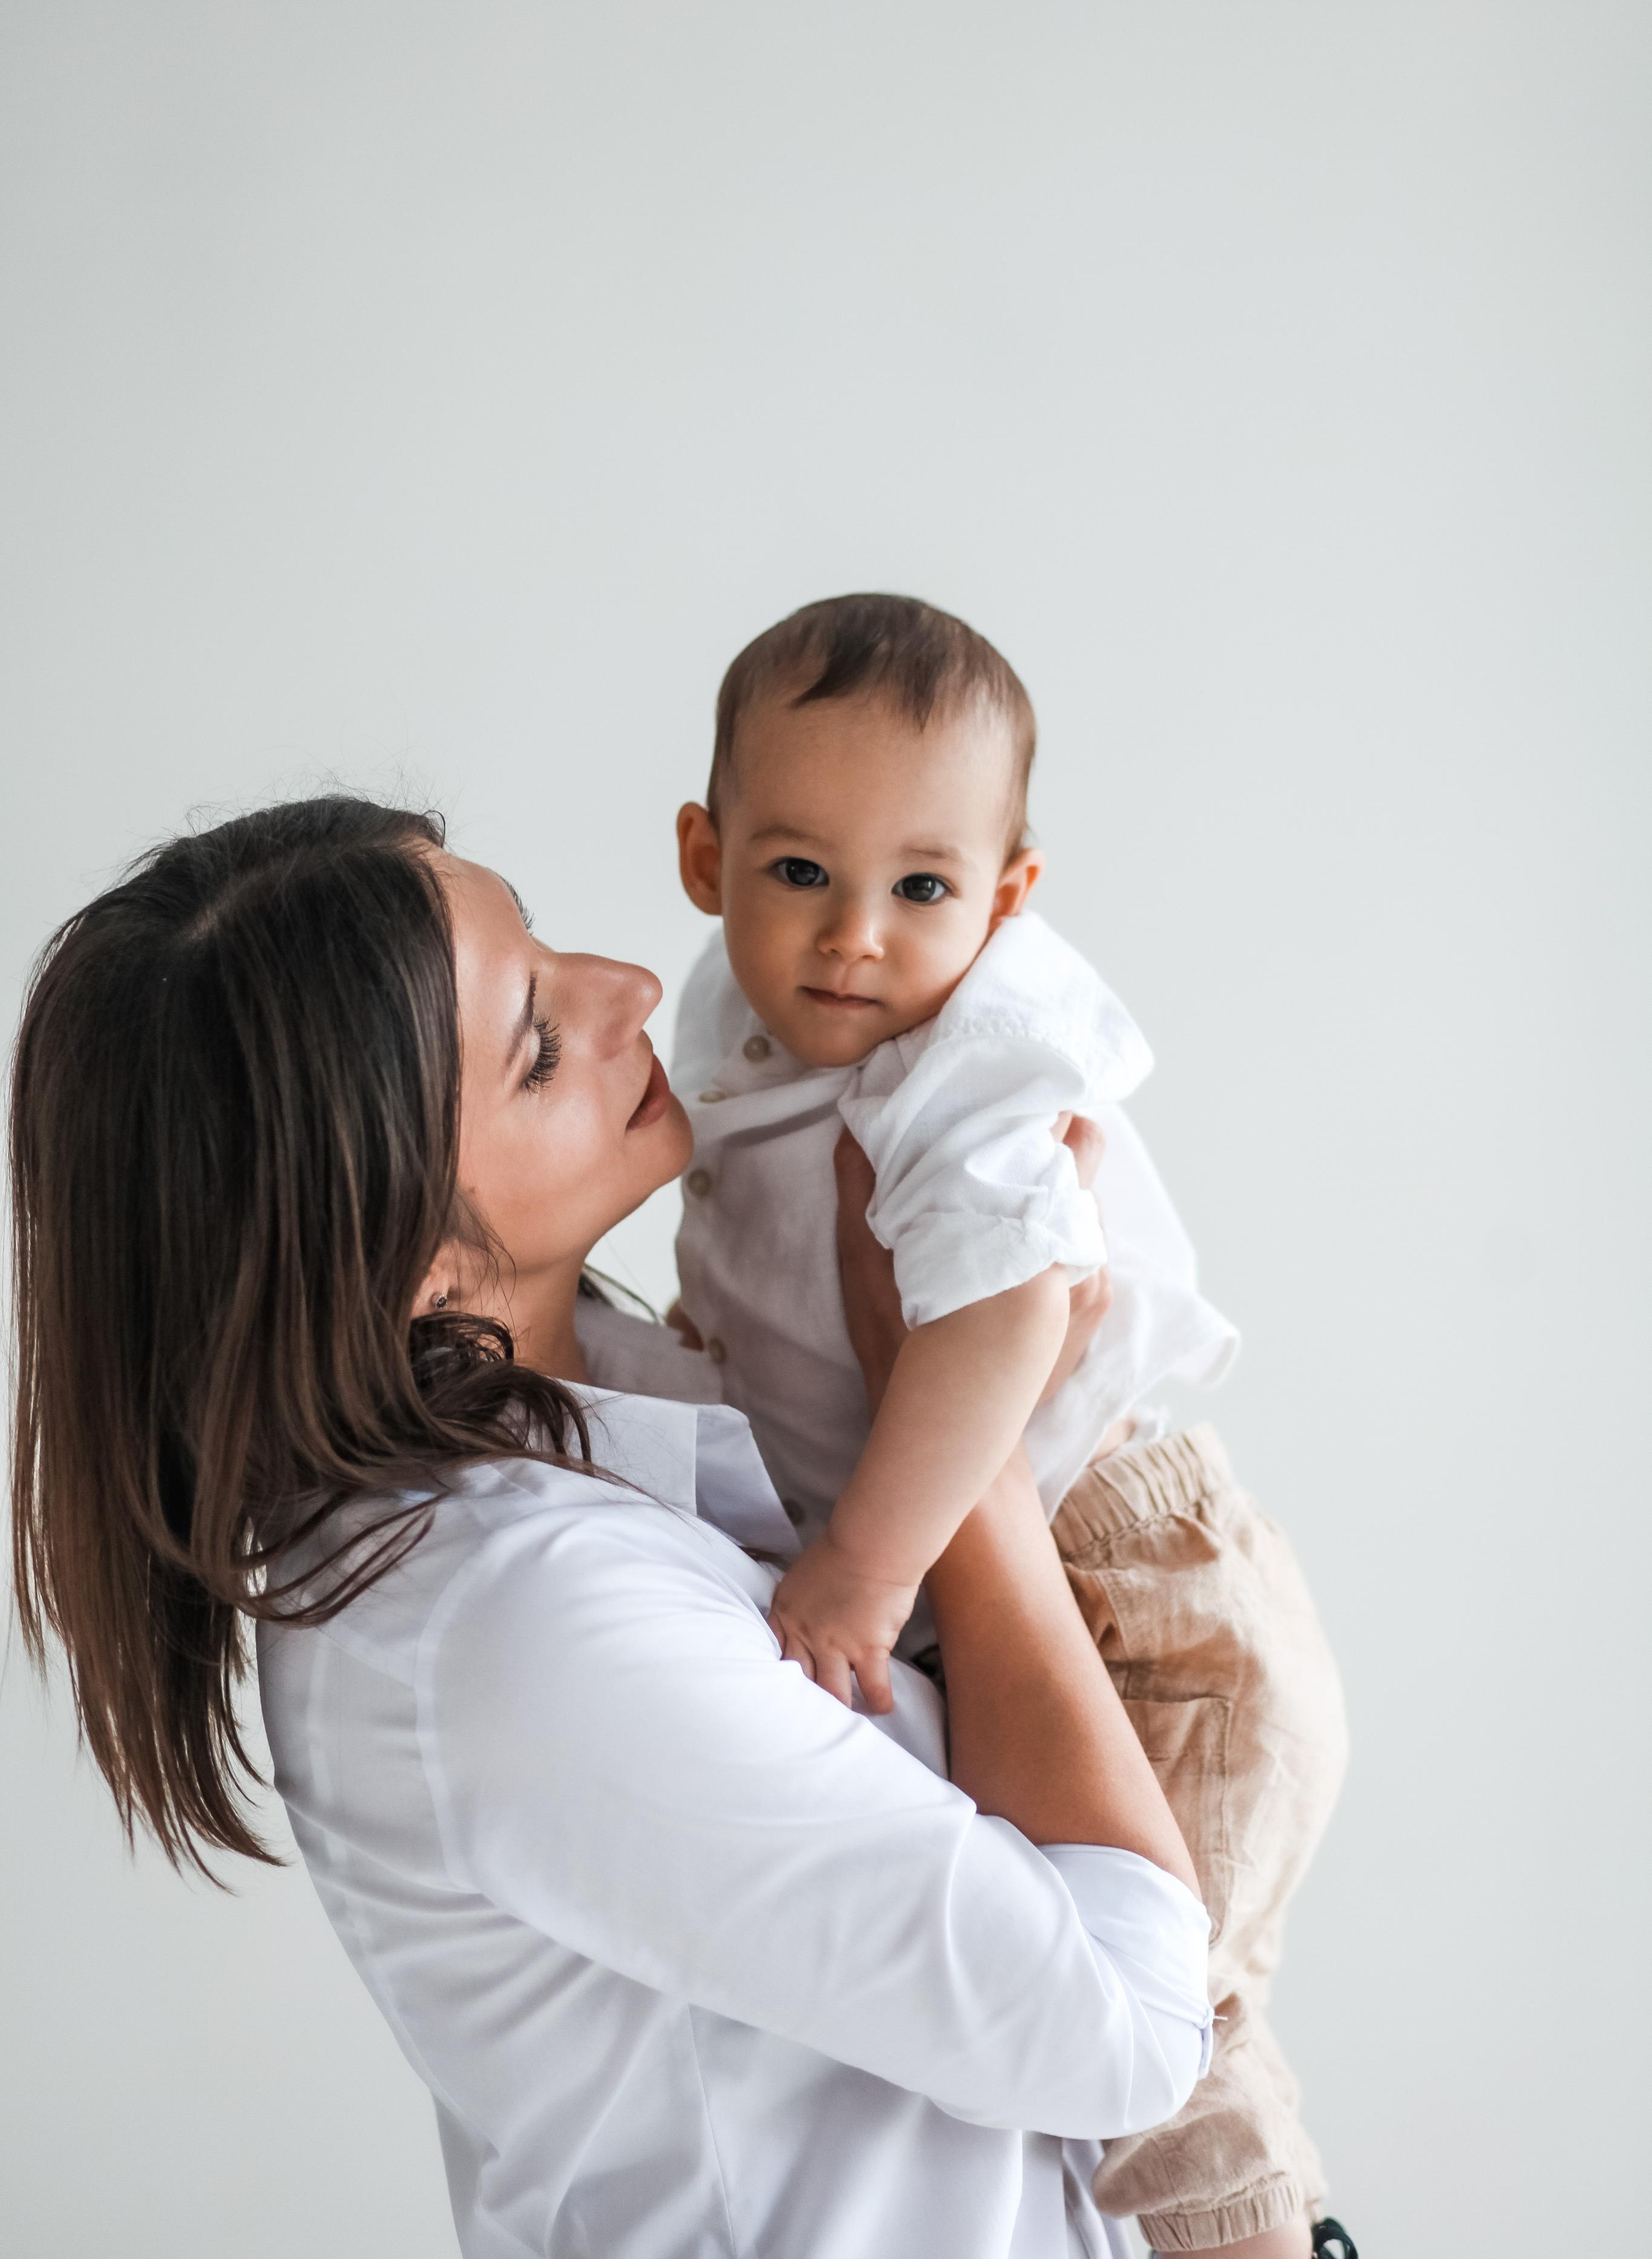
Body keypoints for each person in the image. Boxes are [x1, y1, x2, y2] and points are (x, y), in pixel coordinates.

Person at [10, 793, 1215, 2259]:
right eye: (534, 1044)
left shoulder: (618, 1416)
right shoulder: (525, 1632)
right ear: (409, 1263)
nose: (633, 989)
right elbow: (1129, 2034)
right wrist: (956, 1440)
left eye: (548, 947)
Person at [672, 596, 1351, 2258]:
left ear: (1007, 895)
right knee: (1059, 2066)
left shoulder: (967, 1073)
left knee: (1166, 2047)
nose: (856, 937)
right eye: (797, 874)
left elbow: (1002, 1316)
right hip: (1044, 1576)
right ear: (704, 857)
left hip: (1138, 1586)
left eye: (921, 888)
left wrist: (860, 1558)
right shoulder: (735, 1020)